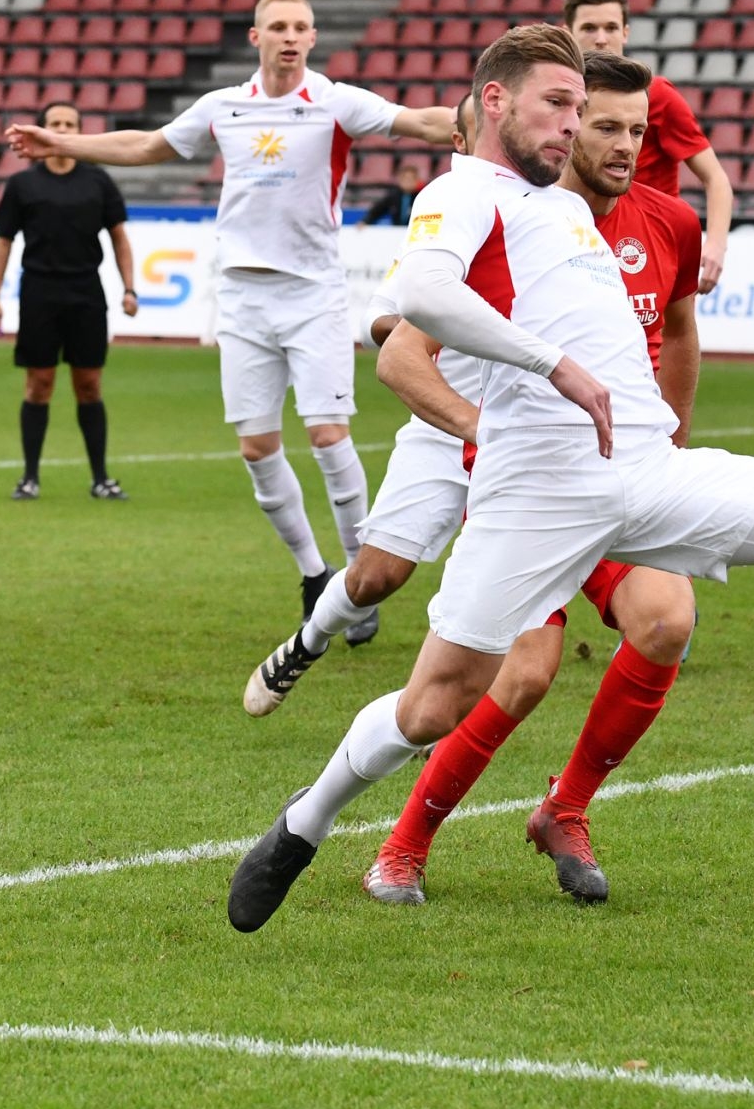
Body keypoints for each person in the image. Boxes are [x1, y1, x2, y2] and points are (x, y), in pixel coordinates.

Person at [226, 26, 754, 934]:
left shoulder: (572, 213)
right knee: (432, 705)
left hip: (647, 471)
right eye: (558, 105)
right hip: (536, 495)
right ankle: (302, 828)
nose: (574, 126)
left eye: (583, 110)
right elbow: (419, 298)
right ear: (494, 101)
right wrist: (552, 368)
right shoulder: (462, 191)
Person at [246, 60, 703, 905]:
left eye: (636, 129)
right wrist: (481, 429)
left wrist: (670, 442)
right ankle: (396, 833)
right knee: (484, 652)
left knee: (668, 618)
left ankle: (565, 808)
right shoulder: (503, 208)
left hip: (613, 468)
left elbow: (678, 331)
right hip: (505, 469)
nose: (617, 143)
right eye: (595, 123)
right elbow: (401, 345)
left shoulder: (666, 223)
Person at [5, 0, 455, 629]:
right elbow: (146, 146)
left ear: (312, 35)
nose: (292, 36)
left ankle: (360, 583)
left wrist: (483, 118)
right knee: (256, 448)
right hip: (243, 297)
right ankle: (312, 573)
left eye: (302, 25)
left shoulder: (333, 101)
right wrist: (63, 142)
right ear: (256, 37)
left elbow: (421, 121)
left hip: (313, 294)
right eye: (279, 26)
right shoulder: (224, 108)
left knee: (329, 436)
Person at [0, 101, 138, 501]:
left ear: (77, 131)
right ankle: (30, 478)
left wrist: (129, 287)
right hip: (39, 292)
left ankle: (101, 478)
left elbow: (119, 237)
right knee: (39, 384)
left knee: (89, 384)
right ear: (42, 129)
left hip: (86, 292)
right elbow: (3, 241)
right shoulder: (23, 185)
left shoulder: (99, 181)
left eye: (69, 123)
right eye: (55, 122)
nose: (61, 128)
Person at [564, 0, 732, 295]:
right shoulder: (557, 97)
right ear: (567, 33)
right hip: (578, 239)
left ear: (625, 32)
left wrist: (716, 244)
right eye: (589, 28)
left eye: (611, 28)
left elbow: (715, 177)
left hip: (647, 246)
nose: (601, 39)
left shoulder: (658, 96)